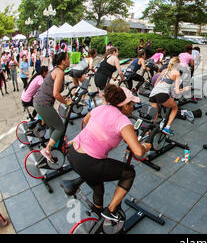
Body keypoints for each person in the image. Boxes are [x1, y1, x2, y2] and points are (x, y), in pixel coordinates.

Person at [67, 84, 151, 222]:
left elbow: (85, 120)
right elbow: (138, 151)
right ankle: (111, 210)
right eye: (132, 104)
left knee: (98, 188)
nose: (133, 108)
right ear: (125, 105)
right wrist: (146, 147)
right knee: (129, 173)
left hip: (73, 153)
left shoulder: (100, 108)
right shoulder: (123, 120)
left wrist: (103, 133)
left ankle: (99, 218)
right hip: (89, 162)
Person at [33, 52, 72, 163]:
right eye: (67, 59)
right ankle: (47, 150)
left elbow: (53, 91)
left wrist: (63, 97)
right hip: (43, 104)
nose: (69, 61)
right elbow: (55, 94)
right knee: (60, 127)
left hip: (40, 102)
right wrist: (67, 103)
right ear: (63, 61)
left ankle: (53, 150)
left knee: (53, 127)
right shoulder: (59, 72)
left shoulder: (55, 70)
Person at [148, 57, 190, 136]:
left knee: (155, 114)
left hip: (152, 94)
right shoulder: (176, 73)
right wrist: (185, 89)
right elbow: (177, 91)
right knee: (175, 107)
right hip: (162, 94)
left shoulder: (164, 71)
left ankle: (149, 130)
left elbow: (155, 84)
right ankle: (167, 127)